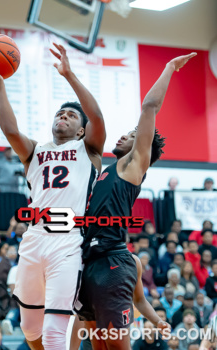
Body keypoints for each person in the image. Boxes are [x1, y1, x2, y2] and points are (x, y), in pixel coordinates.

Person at [0, 42, 106, 350]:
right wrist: (0, 87)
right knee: (30, 328)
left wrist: (69, 74)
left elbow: (97, 117)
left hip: (68, 240)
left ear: (80, 131)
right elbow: (10, 131)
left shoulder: (88, 150)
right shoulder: (36, 151)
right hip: (34, 239)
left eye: (72, 116)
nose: (64, 115)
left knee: (54, 330)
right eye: (61, 112)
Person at [76, 53, 196, 350]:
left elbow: (149, 106)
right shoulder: (105, 172)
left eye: (132, 136)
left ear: (141, 148)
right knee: (98, 347)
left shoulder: (133, 165)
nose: (123, 136)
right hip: (91, 263)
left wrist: (168, 68)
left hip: (112, 263)